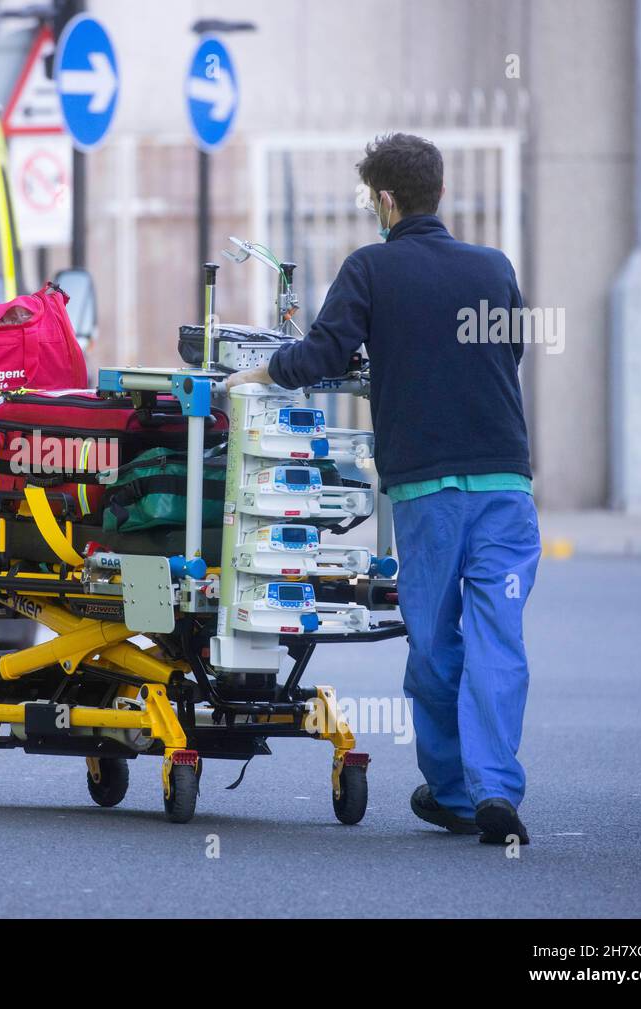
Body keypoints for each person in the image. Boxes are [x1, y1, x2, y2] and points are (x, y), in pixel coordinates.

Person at [228, 133, 539, 846]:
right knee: (500, 637)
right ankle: (496, 788)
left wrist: (259, 374)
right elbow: (509, 349)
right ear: (438, 193)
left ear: (388, 199)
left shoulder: (370, 267)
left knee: (432, 640)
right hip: (504, 483)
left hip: (428, 489)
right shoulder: (494, 267)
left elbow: (323, 354)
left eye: (372, 198)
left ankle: (456, 792)